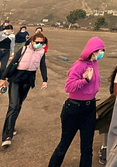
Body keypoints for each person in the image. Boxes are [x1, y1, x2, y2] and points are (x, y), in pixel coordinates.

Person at [48, 36, 105, 167]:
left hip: (90, 108)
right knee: (64, 144)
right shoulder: (78, 66)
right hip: (74, 109)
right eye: (99, 50)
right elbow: (69, 87)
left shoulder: (94, 64)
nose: (101, 54)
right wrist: (85, 81)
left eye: (102, 51)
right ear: (92, 51)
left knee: (87, 148)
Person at [0, 32, 48, 146]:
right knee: (13, 105)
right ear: (32, 41)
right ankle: (7, 136)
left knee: (18, 105)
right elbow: (12, 64)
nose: (39, 44)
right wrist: (3, 78)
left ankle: (11, 126)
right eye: (37, 42)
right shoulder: (24, 49)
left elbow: (43, 66)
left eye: (41, 43)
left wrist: (45, 80)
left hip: (28, 80)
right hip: (16, 79)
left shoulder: (42, 52)